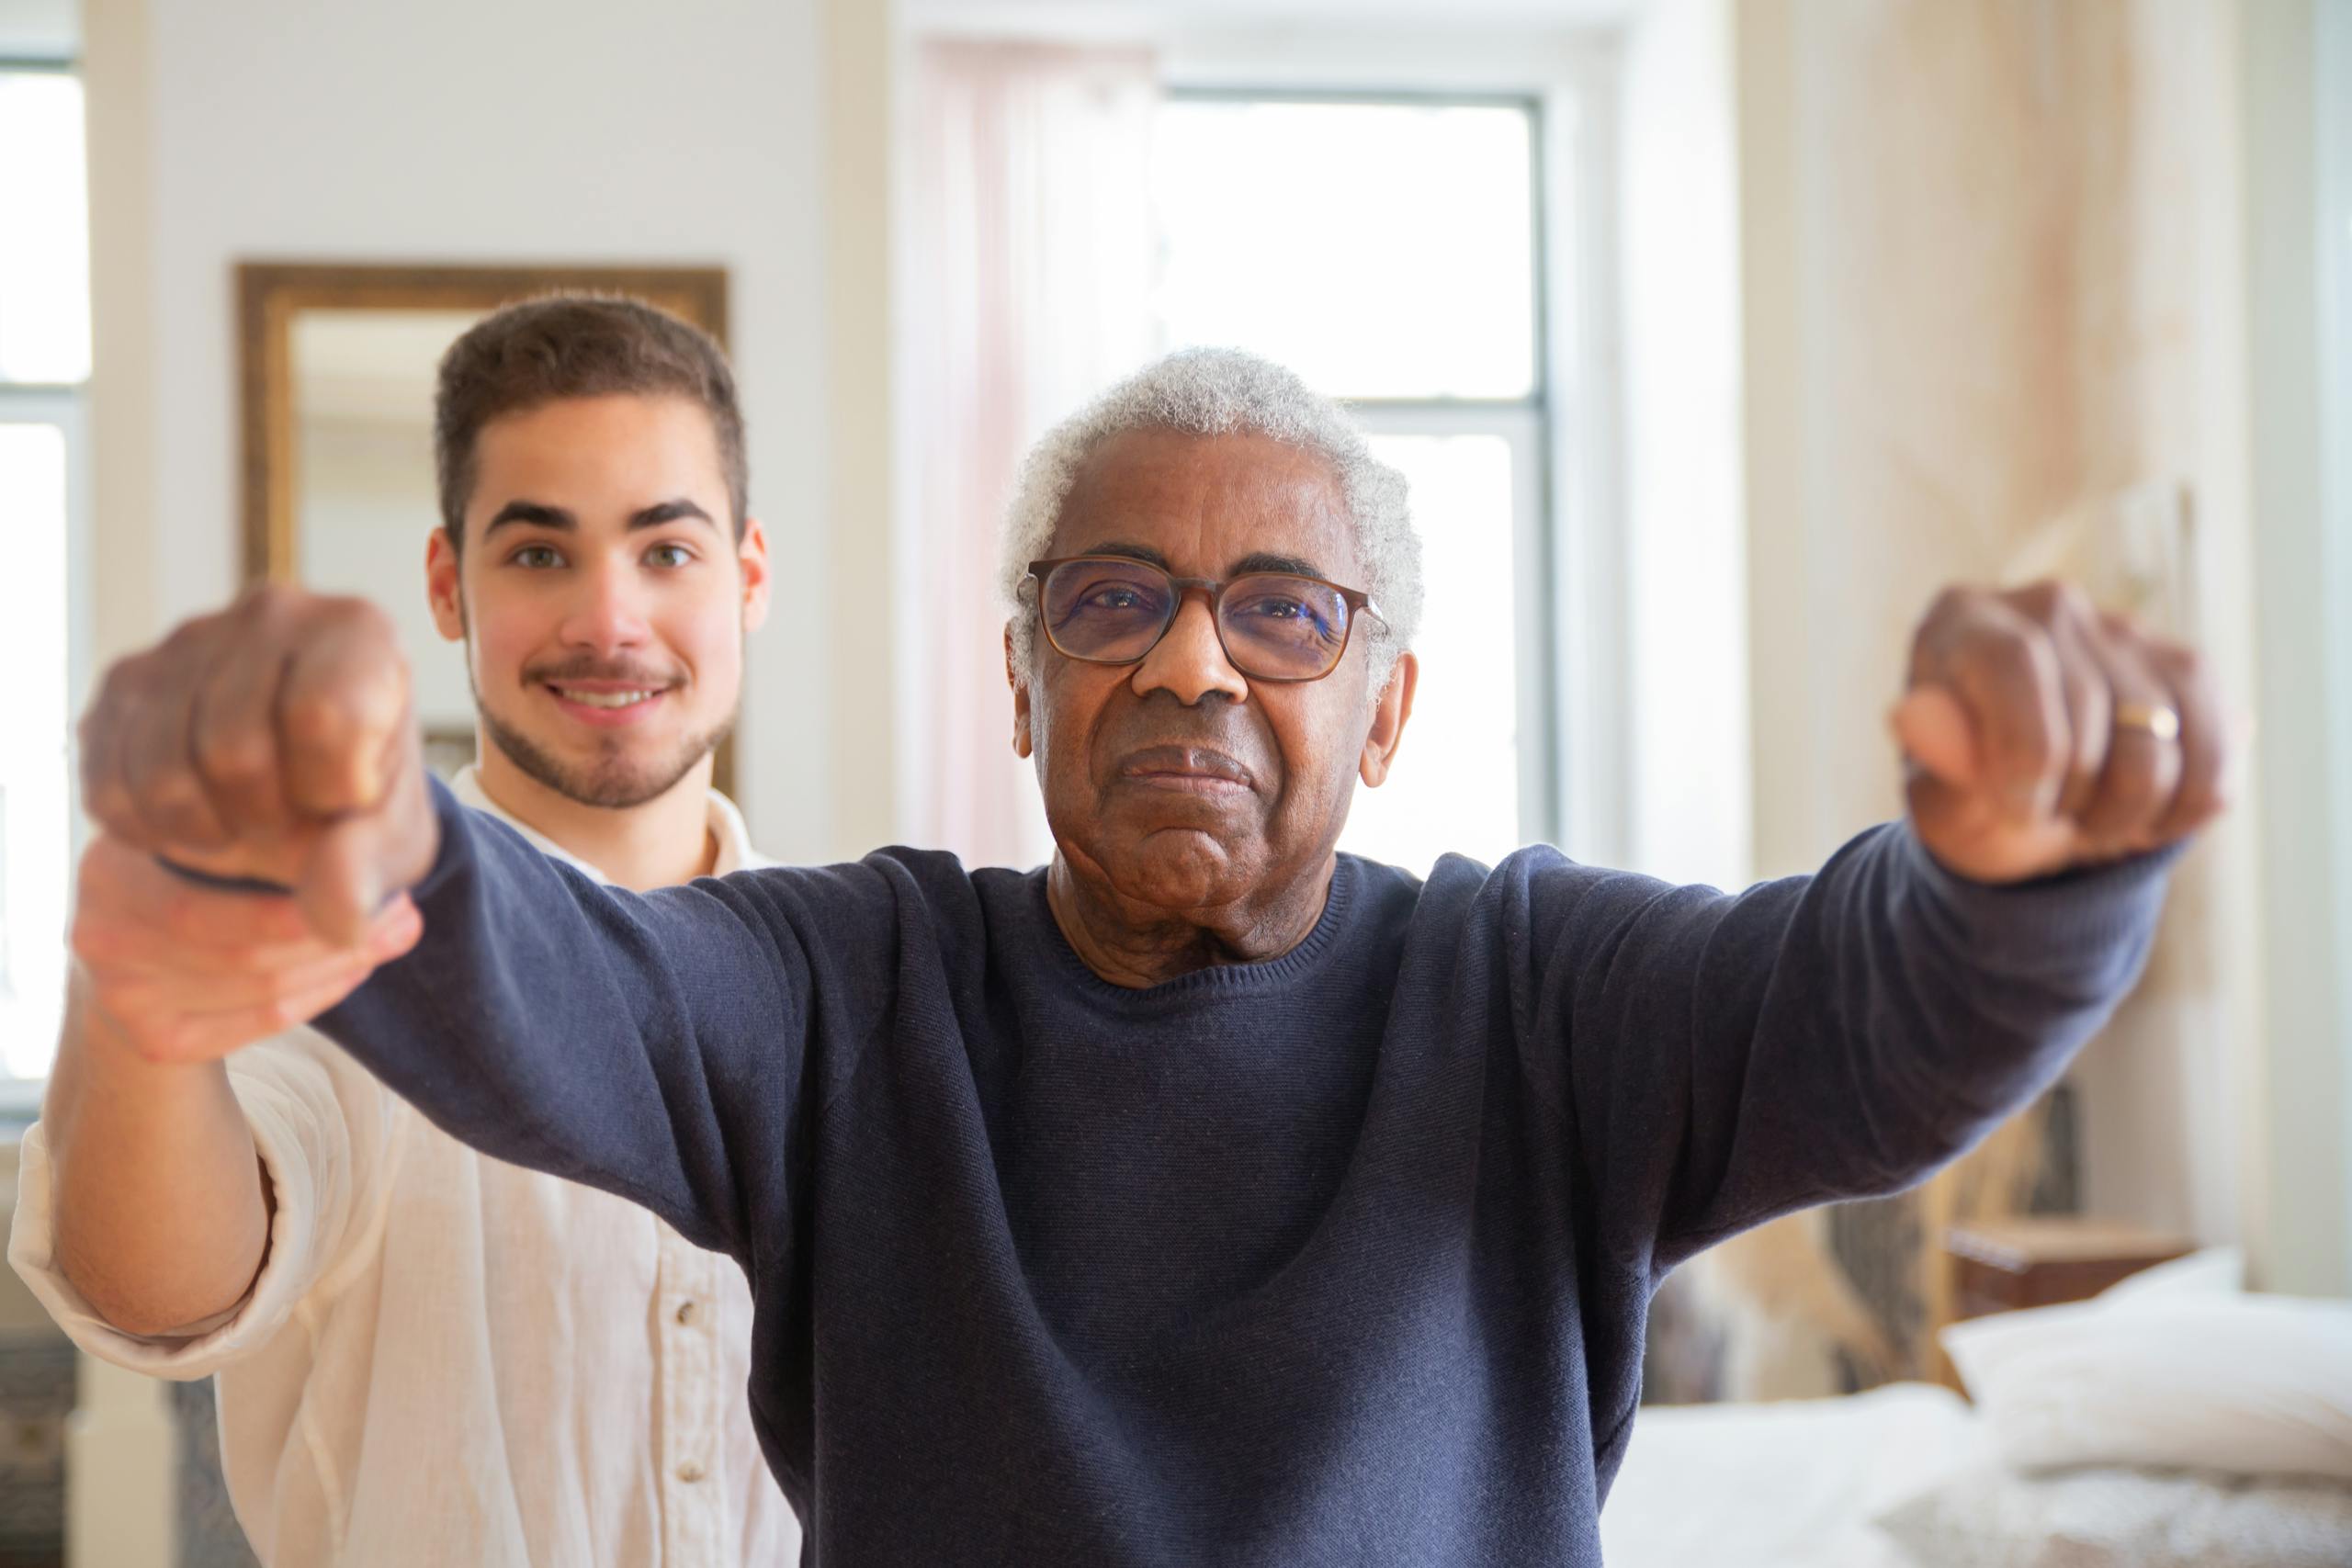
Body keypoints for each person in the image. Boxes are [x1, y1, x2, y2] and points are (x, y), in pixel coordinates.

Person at [68, 348, 2225, 1566]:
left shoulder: (1531, 991)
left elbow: (1859, 1010)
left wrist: (2023, 878)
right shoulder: (857, 985)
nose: (1188, 658)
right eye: (1107, 601)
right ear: (1020, 685)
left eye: (1279, 609)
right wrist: (370, 818)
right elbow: (584, 987)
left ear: (1379, 704)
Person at [15, 298, 803, 1565]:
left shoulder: (850, 986)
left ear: (748, 576)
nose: (610, 619)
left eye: (666, 552)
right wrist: (133, 983)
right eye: (540, 554)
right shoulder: (334, 958)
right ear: (449, 584)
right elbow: (150, 1290)